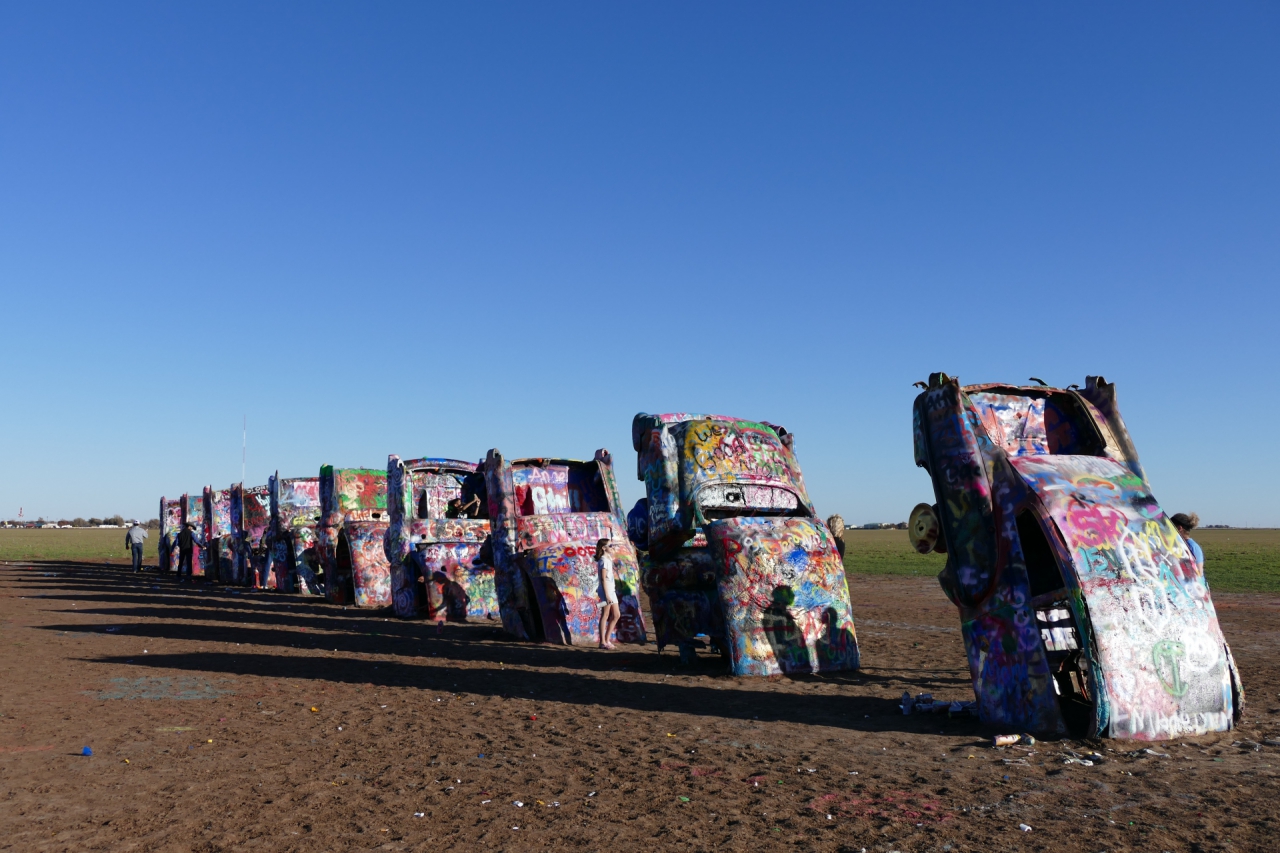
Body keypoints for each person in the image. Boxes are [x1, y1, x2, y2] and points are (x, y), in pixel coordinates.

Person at [596, 538, 620, 649]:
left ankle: (607, 639)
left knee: (616, 615)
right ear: (603, 548)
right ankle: (602, 642)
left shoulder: (608, 559)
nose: (613, 547)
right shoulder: (603, 560)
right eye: (610, 546)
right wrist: (606, 595)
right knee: (605, 615)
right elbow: (603, 579)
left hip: (611, 590)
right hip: (606, 591)